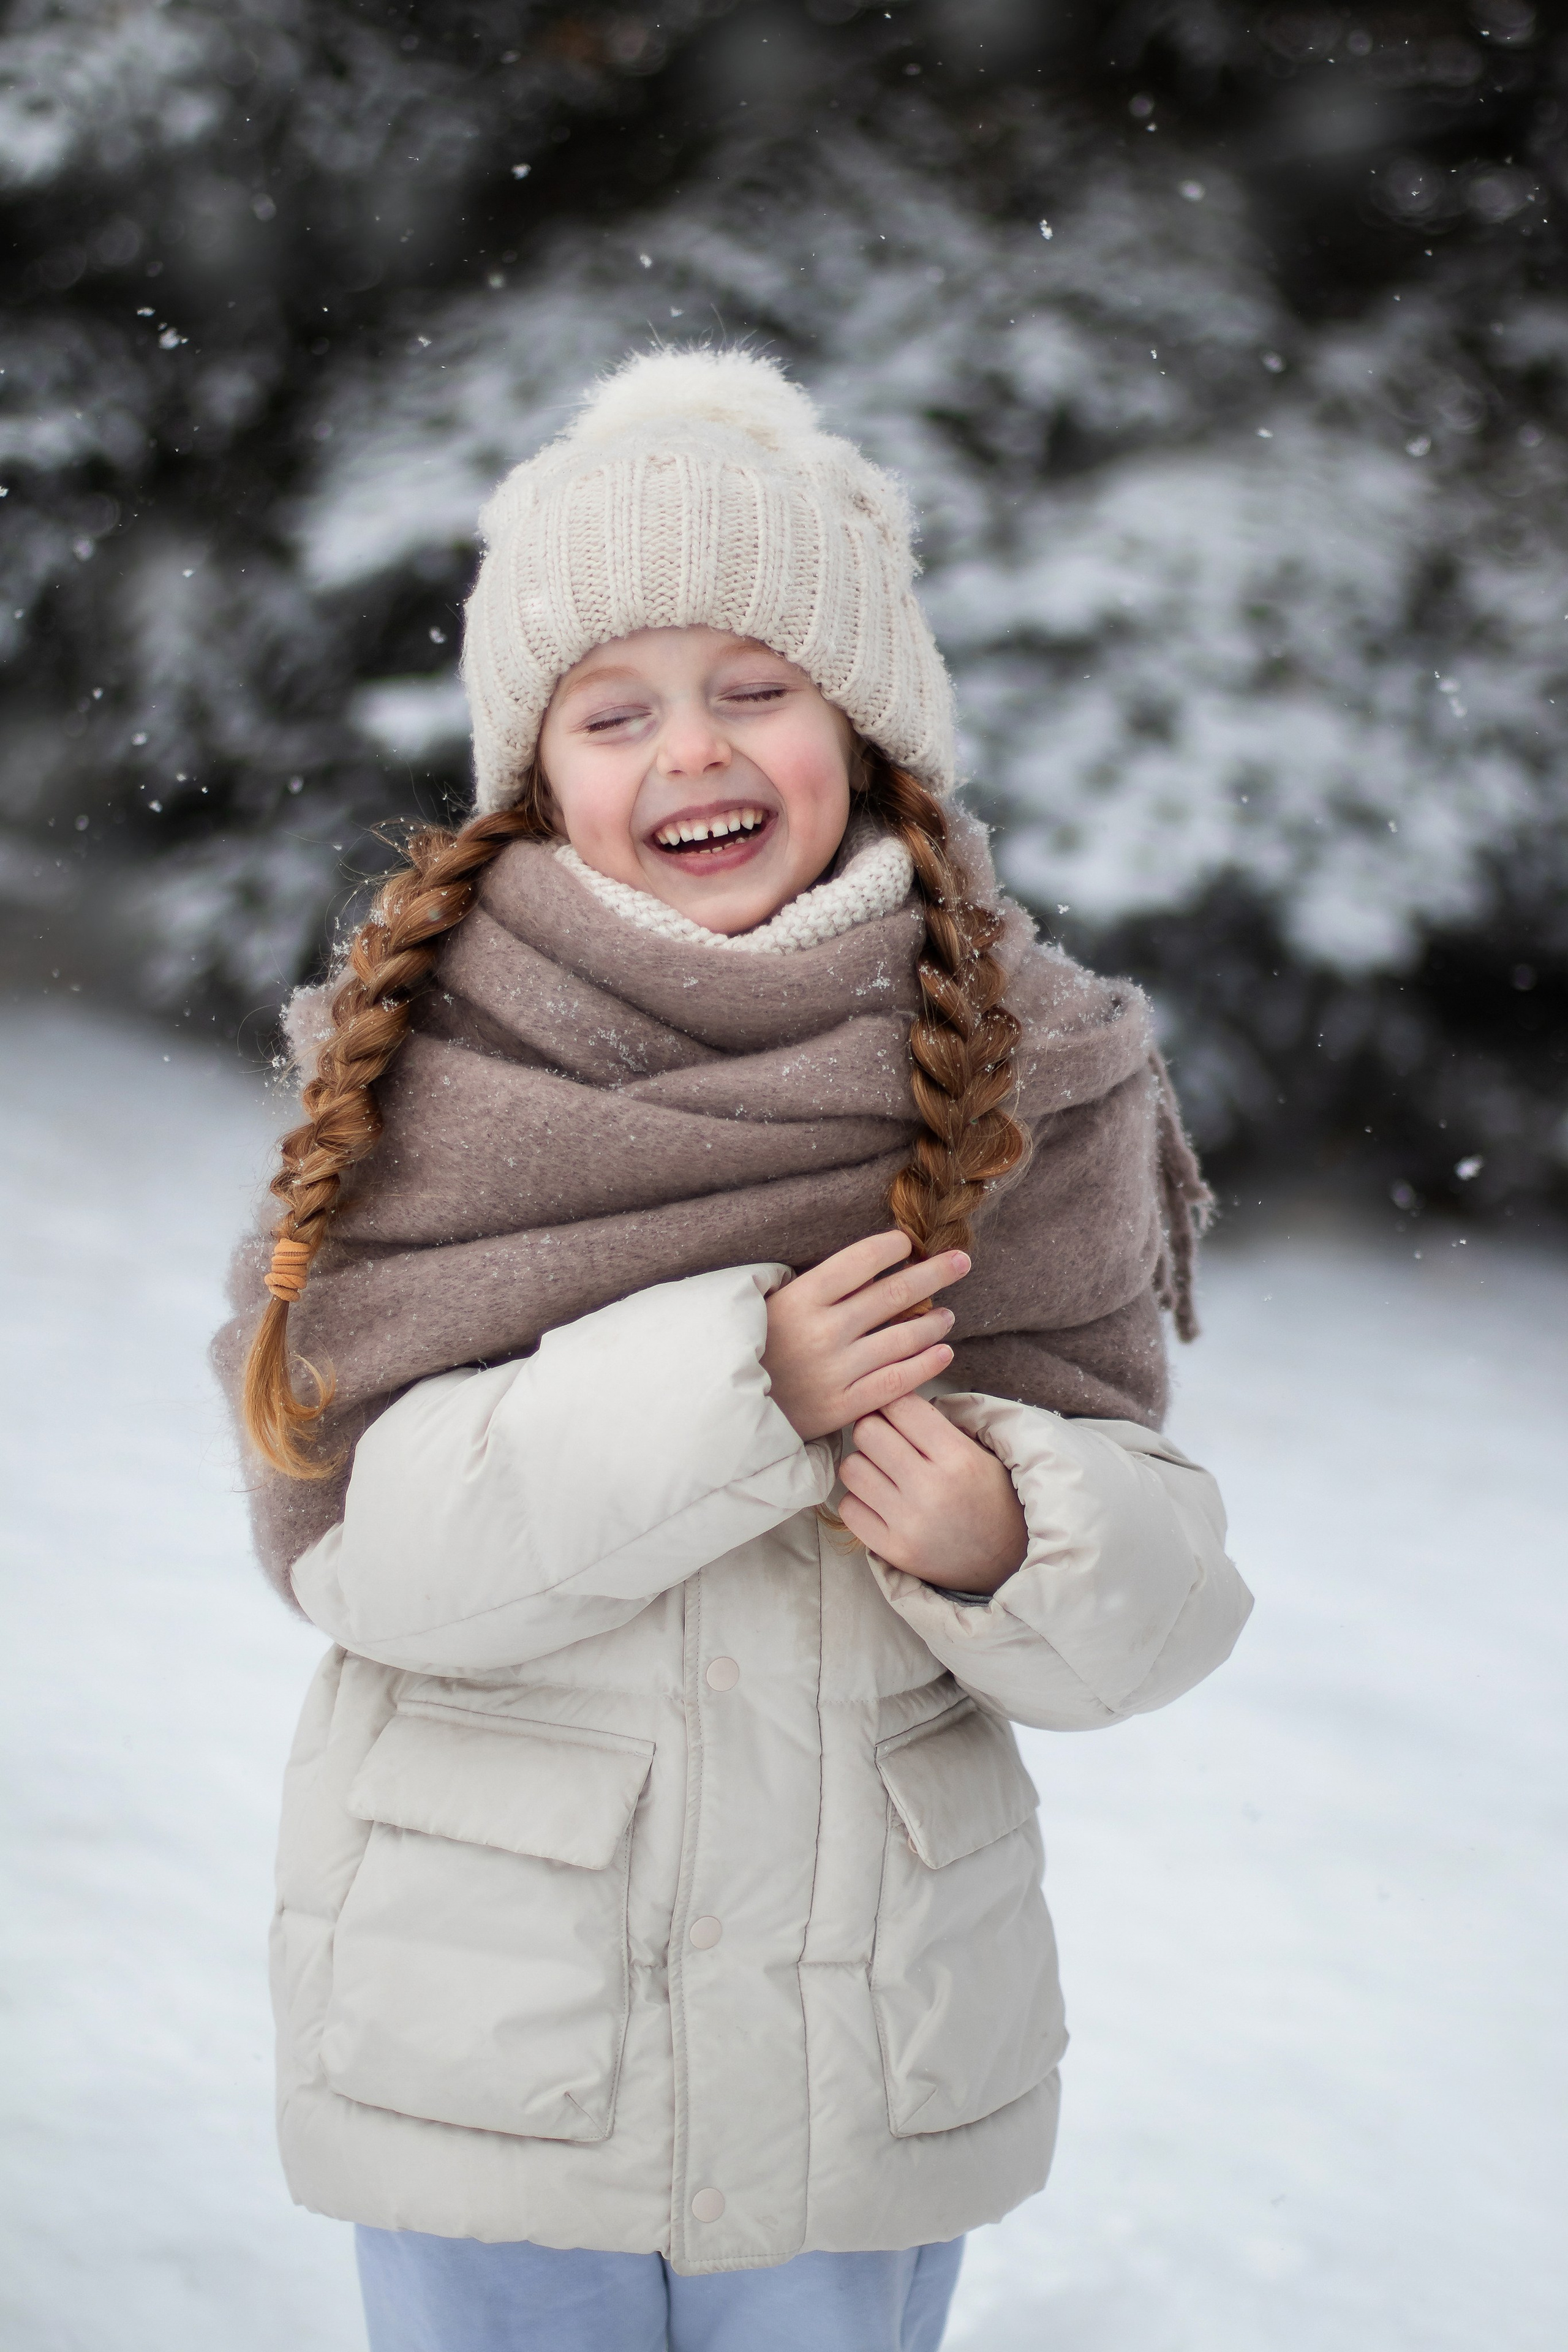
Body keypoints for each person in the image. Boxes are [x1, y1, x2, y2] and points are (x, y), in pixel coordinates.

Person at [215, 347, 1253, 2352]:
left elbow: (1168, 1591)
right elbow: (363, 1556)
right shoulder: (424, 1069)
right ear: (543, 768)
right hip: (488, 2047)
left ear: (860, 727)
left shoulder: (1038, 1075)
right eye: (616, 710)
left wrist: (1009, 1537)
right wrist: (741, 1389)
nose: (692, 748)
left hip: (859, 2045)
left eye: (756, 686)